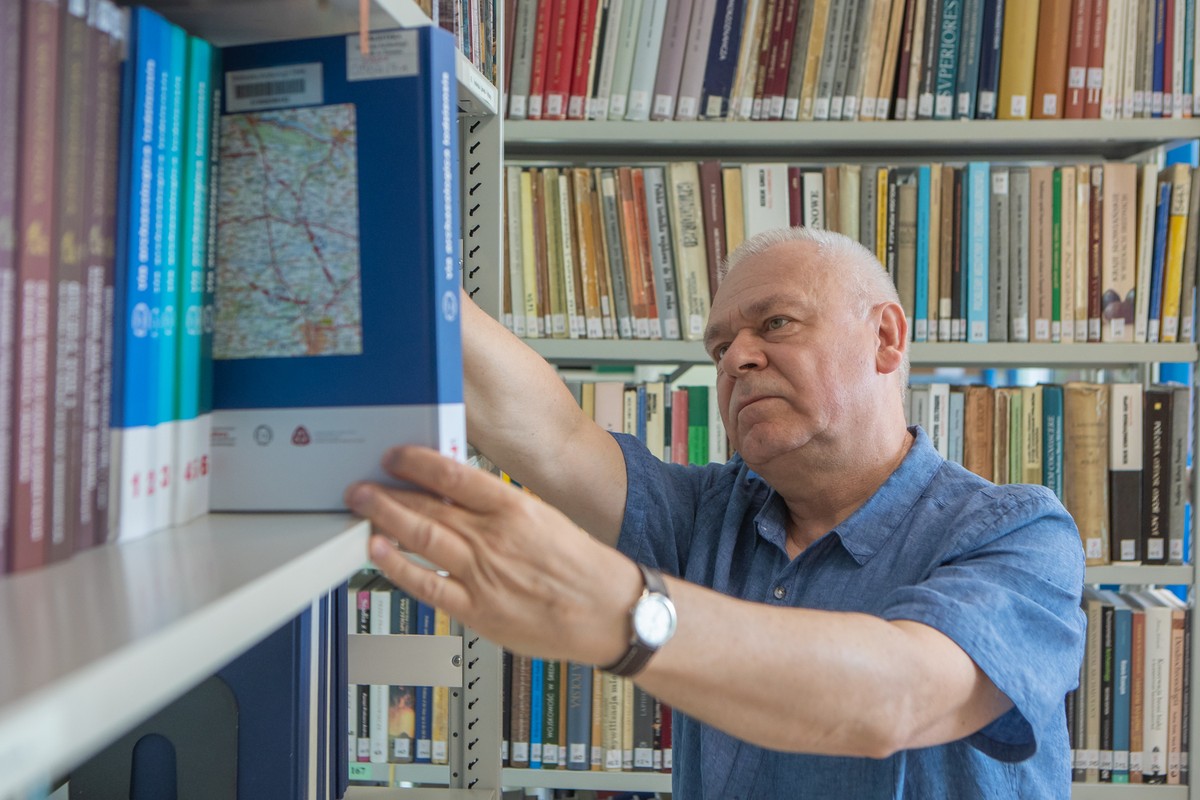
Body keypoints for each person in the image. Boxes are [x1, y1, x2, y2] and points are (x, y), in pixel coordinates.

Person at [348, 226, 1086, 798]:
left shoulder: (1017, 533)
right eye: (720, 346)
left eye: (775, 325)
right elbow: (554, 434)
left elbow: (894, 698)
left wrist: (625, 613)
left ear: (886, 339)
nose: (736, 360)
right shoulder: (707, 514)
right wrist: (392, 249)